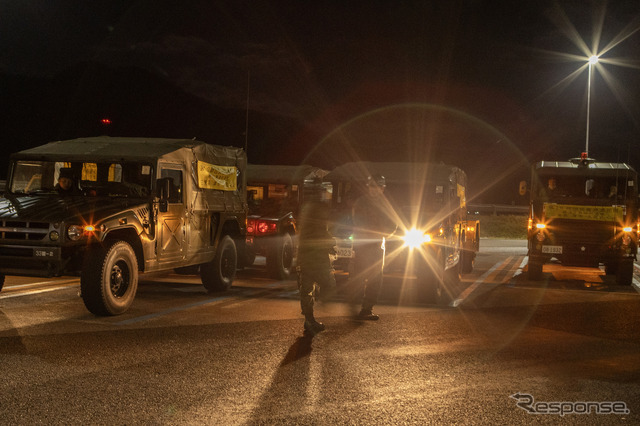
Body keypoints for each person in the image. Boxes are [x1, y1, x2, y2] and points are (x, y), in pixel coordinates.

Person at [351, 174, 397, 320]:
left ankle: (366, 309)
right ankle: (353, 304)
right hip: (362, 244)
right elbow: (357, 221)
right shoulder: (361, 202)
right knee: (358, 275)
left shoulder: (386, 205)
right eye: (371, 187)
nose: (374, 190)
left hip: (376, 245)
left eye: (377, 187)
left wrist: (382, 234)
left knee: (375, 278)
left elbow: (393, 224)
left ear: (383, 188)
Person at [296, 180, 337, 335]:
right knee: (329, 283)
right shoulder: (319, 208)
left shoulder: (306, 207)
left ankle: (309, 319)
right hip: (317, 256)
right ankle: (314, 314)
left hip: (304, 255)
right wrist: (332, 242)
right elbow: (320, 231)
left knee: (306, 289)